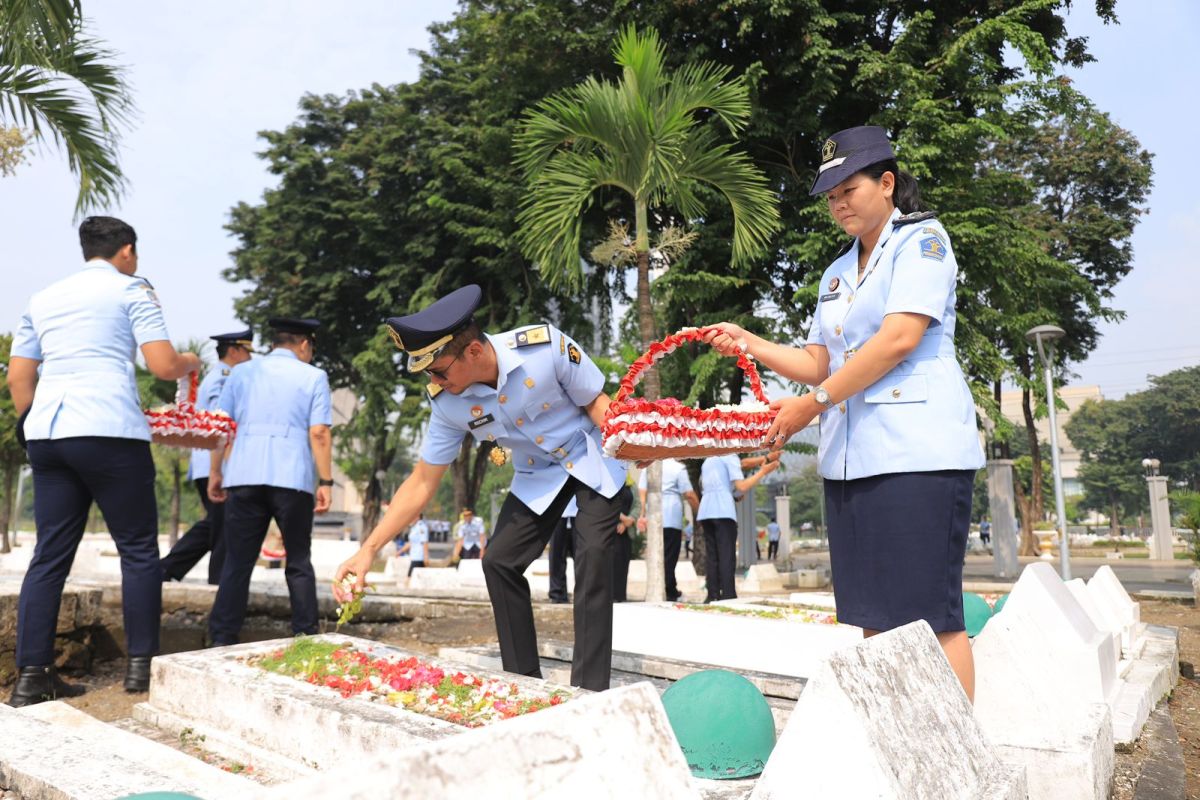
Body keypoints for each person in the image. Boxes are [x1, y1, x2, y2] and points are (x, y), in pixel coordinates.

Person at [703, 125, 985, 699]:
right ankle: (899, 743)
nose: (838, 204)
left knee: (932, 615)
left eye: (847, 189)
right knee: (873, 614)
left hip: (917, 454)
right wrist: (750, 342)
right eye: (830, 196)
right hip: (852, 461)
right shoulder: (836, 272)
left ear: (886, 183)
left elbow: (899, 338)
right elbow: (818, 359)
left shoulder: (923, 241)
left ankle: (960, 765)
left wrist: (815, 403)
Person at [333, 285, 627, 691]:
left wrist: (631, 440)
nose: (434, 380)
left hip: (591, 454)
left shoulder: (543, 349)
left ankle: (590, 691)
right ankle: (525, 683)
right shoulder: (447, 403)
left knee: (592, 553)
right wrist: (368, 549)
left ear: (472, 352)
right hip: (537, 475)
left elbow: (597, 403)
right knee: (499, 562)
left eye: (438, 370)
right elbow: (421, 482)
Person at [7, 216, 201, 704]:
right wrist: (190, 364)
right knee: (137, 550)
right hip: (110, 428)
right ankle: (141, 670)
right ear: (127, 250)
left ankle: (32, 675)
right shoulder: (132, 289)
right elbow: (160, 364)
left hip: (49, 432)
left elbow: (19, 377)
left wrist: (34, 423)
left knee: (48, 557)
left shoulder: (43, 298)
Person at [206, 317, 334, 646]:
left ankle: (222, 635)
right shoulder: (314, 376)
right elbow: (319, 432)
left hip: (244, 476)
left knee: (237, 560)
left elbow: (221, 427)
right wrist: (327, 481)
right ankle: (305, 634)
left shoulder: (241, 373)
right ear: (304, 344)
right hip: (291, 478)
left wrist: (216, 472)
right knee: (298, 559)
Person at [160, 328, 253, 584]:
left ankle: (169, 569)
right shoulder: (224, 378)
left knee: (217, 524)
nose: (250, 357)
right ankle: (214, 580)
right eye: (247, 351)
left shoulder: (223, 376)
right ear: (234, 351)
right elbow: (218, 423)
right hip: (216, 461)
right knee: (222, 526)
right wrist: (221, 467)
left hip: (213, 460)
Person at [697, 454, 778, 602]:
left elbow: (743, 464)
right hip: (723, 510)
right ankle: (728, 595)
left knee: (712, 556)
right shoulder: (730, 455)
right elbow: (742, 486)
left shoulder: (709, 458)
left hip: (706, 510)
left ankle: (712, 595)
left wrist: (763, 459)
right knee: (726, 556)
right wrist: (763, 471)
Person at [638, 458, 700, 601]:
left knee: (657, 555)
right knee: (670, 557)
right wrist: (699, 512)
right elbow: (689, 494)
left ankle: (663, 588)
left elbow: (642, 488)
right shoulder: (678, 468)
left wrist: (642, 512)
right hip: (672, 517)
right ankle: (670, 591)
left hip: (653, 515)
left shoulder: (648, 464)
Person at [547, 498, 578, 604]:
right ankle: (557, 593)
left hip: (579, 512)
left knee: (581, 557)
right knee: (556, 556)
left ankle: (582, 593)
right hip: (558, 512)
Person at [611, 484, 636, 602]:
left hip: (625, 531)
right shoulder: (609, 481)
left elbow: (637, 505)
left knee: (622, 562)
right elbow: (606, 503)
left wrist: (627, 522)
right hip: (610, 527)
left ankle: (620, 597)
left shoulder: (630, 484)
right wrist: (622, 518)